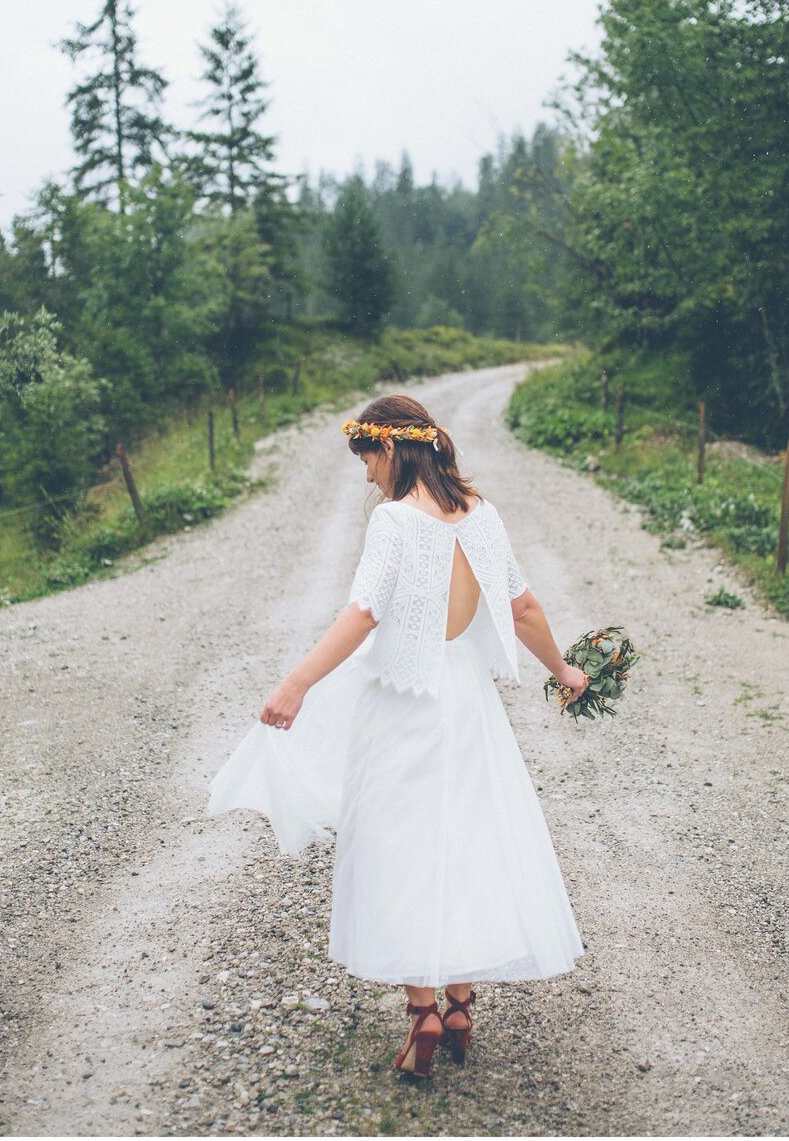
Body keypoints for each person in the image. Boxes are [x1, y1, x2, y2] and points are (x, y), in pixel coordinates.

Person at [207, 393, 589, 1081]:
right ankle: (463, 1002)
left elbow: (362, 613)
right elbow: (522, 605)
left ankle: (424, 1014)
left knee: (402, 845)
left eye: (367, 458)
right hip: (468, 702)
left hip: (402, 703)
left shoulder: (394, 522)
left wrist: (296, 682)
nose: (365, 476)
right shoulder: (482, 514)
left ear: (391, 448)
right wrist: (563, 669)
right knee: (465, 839)